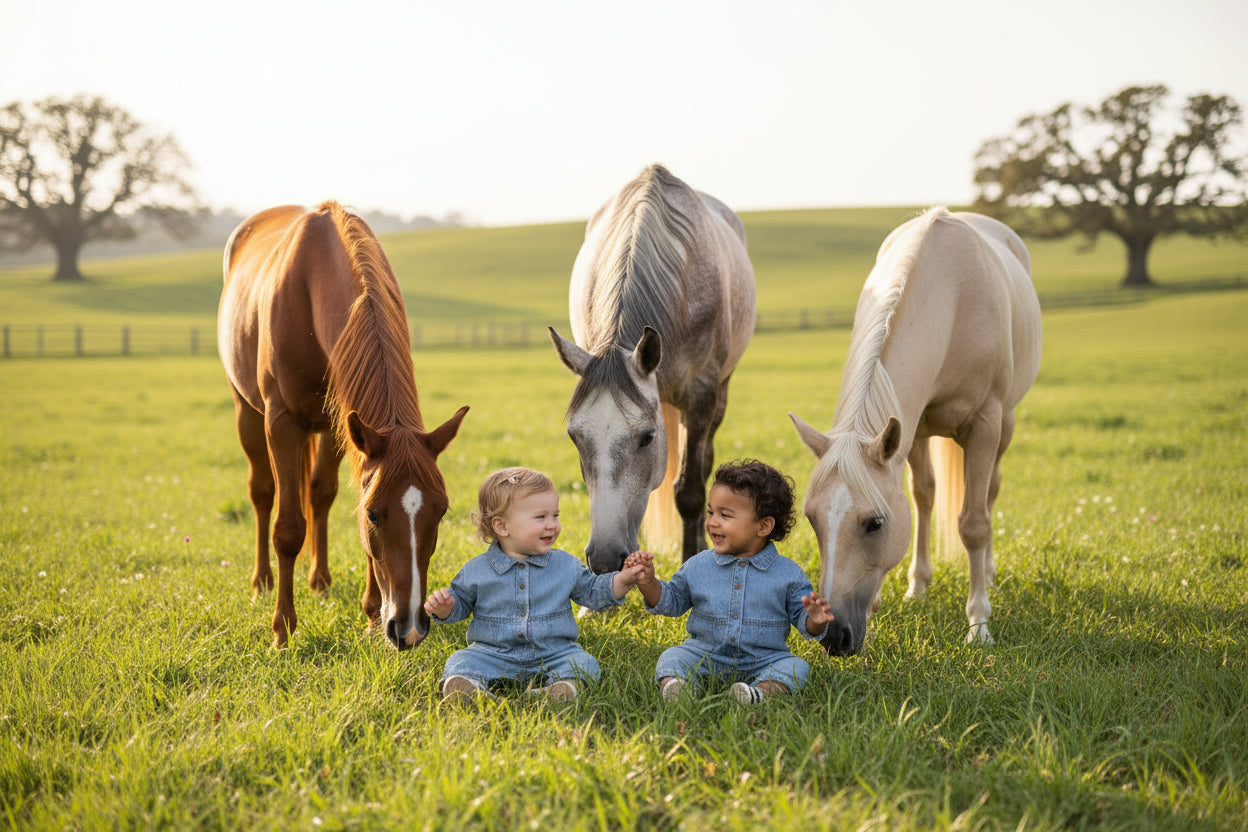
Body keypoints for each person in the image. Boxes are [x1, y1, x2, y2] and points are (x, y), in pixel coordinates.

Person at [424, 466, 643, 704]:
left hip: (553, 653)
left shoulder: (566, 566)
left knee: (584, 662)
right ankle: (468, 689)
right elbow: (461, 604)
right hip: (493, 653)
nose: (552, 524)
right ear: (502, 526)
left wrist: (623, 579)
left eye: (555, 515)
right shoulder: (476, 570)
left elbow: (593, 592)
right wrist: (446, 608)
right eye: (541, 517)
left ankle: (559, 690)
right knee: (460, 661)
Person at [626, 459, 834, 704]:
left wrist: (815, 621)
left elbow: (803, 621)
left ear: (763, 526)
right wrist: (648, 582)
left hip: (764, 660)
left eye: (725, 515)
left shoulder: (789, 574)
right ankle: (678, 688)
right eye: (711, 511)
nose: (713, 521)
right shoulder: (698, 565)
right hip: (704, 655)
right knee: (672, 657)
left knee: (796, 667)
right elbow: (671, 601)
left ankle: (757, 693)